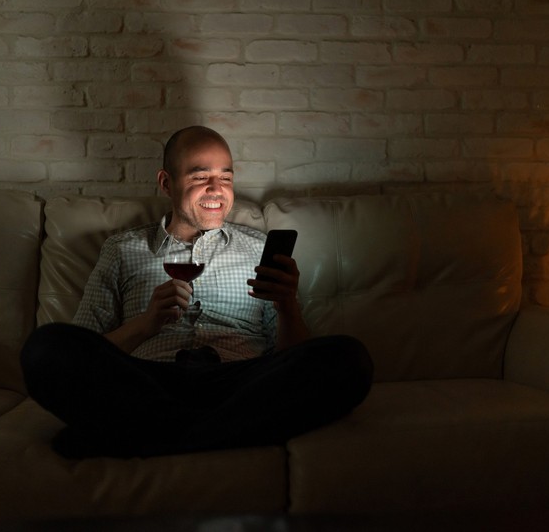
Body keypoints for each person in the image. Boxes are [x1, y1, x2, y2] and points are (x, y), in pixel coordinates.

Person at [20, 125, 373, 459]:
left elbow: (290, 357)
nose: (217, 188)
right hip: (148, 383)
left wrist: (287, 306)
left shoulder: (258, 249)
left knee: (348, 358)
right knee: (45, 348)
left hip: (241, 384)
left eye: (226, 177)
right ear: (166, 183)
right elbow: (87, 350)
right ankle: (222, 436)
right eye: (201, 176)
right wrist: (146, 324)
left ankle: (153, 440)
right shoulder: (122, 249)